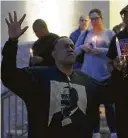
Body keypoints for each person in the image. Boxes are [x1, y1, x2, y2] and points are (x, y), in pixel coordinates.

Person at [1, 11, 110, 138]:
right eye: (65, 46)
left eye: (72, 46)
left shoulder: (86, 81)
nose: (70, 48)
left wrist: (120, 68)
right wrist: (12, 41)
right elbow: (9, 76)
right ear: (54, 54)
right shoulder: (37, 78)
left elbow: (112, 93)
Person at [75, 9, 117, 138]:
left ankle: (114, 132)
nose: (93, 22)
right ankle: (95, 132)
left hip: (105, 75)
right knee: (92, 106)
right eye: (91, 19)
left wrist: (101, 51)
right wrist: (83, 47)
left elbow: (116, 51)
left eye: (96, 18)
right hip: (88, 75)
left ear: (101, 18)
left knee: (110, 105)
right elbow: (74, 51)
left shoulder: (109, 33)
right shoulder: (85, 33)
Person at [107, 5, 128, 138]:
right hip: (122, 87)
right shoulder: (118, 38)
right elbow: (109, 62)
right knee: (122, 120)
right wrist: (114, 64)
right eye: (125, 15)